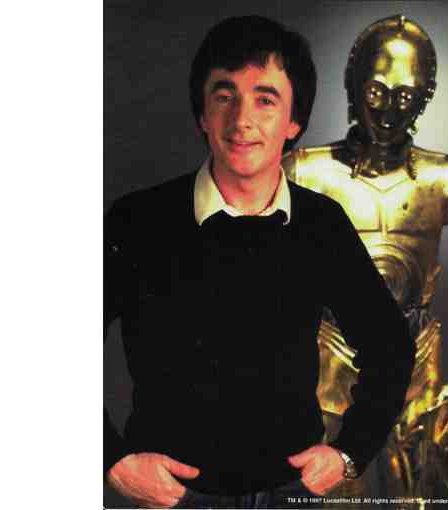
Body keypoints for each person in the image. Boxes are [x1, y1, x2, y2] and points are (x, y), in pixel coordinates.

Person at [104, 16, 414, 509]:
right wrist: (111, 459)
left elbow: (390, 346)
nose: (241, 120)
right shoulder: (137, 220)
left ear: (294, 122)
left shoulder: (321, 224)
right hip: (167, 497)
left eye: (265, 99)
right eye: (224, 96)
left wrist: (350, 453)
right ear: (202, 114)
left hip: (291, 493)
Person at [283, 15, 448, 508]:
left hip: (415, 363)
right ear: (354, 85)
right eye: (377, 91)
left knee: (420, 492)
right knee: (335, 493)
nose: (389, 109)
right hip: (330, 358)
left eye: (406, 96)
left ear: (426, 97)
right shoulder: (303, 173)